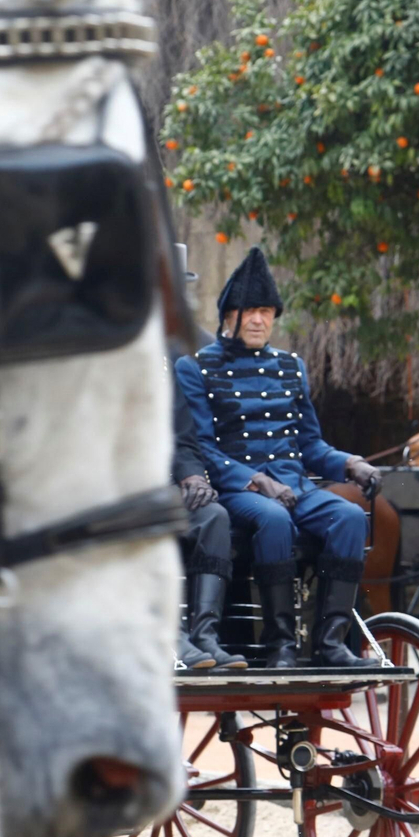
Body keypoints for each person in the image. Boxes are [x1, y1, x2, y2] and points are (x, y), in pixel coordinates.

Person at [174, 247, 382, 669]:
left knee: (349, 518)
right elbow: (203, 447)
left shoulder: (291, 367)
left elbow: (311, 446)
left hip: (294, 483)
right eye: (249, 311)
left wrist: (349, 464)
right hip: (237, 488)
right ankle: (280, 644)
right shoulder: (196, 367)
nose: (258, 320)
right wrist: (256, 481)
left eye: (266, 312)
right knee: (272, 518)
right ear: (228, 316)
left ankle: (330, 642)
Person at [172, 247, 246, 671]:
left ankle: (205, 635)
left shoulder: (202, 350)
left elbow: (184, 435)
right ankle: (170, 635)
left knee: (213, 516)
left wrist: (193, 476)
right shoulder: (119, 352)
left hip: (176, 477)